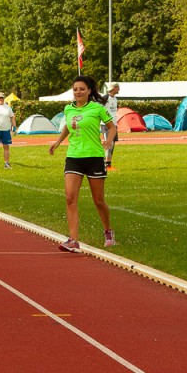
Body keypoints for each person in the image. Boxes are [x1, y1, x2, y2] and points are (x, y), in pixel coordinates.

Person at [48, 75, 117, 251]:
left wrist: (109, 141)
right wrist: (58, 142)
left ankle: (108, 230)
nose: (78, 92)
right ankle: (73, 240)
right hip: (74, 157)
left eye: (82, 89)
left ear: (89, 91)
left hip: (94, 157)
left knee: (98, 201)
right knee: (70, 197)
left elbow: (112, 127)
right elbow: (68, 126)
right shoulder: (68, 109)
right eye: (75, 89)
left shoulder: (97, 108)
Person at [103, 82, 121, 168]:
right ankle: (106, 165)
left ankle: (108, 164)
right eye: (118, 87)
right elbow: (99, 109)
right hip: (106, 124)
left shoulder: (115, 99)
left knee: (112, 145)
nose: (119, 89)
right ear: (114, 88)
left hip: (114, 124)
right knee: (108, 144)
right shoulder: (105, 98)